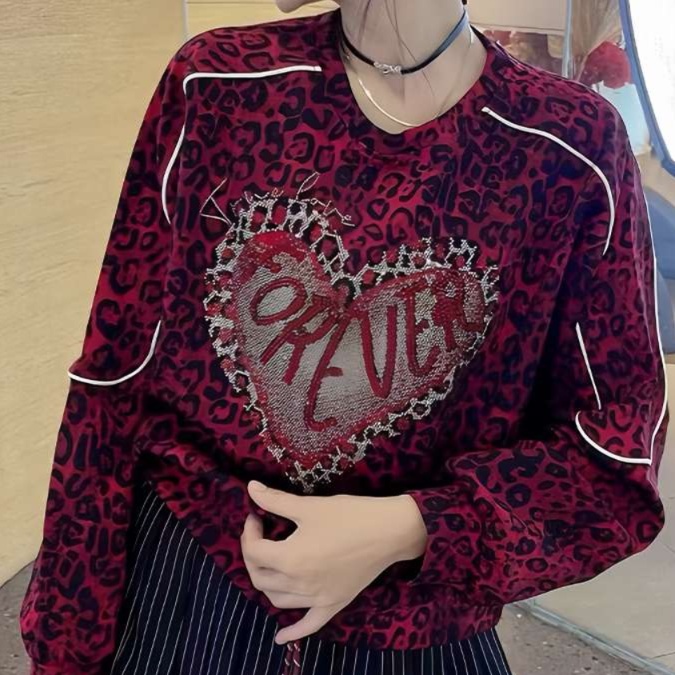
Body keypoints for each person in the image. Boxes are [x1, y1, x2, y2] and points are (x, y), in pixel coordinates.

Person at [19, 0, 669, 673]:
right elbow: (115, 375)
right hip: (185, 591)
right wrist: (68, 641)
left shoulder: (565, 145)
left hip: (415, 623)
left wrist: (416, 526)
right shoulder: (218, 85)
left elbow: (615, 456)